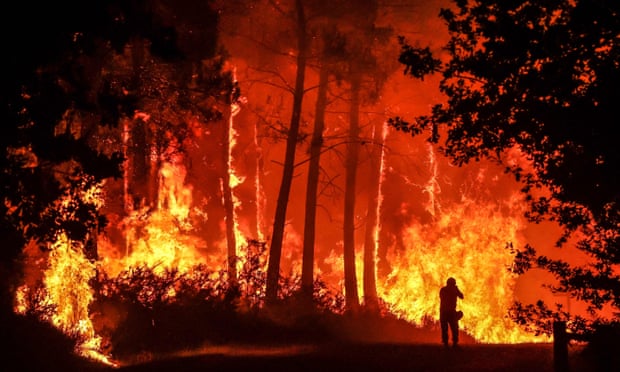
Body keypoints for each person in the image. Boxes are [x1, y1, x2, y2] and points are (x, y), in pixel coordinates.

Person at [439, 277, 464, 348]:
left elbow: (461, 296)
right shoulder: (449, 290)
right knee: (453, 328)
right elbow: (461, 296)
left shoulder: (443, 289)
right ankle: (452, 343)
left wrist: (456, 290)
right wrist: (455, 290)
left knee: (448, 328)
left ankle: (448, 343)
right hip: (448, 312)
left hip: (444, 312)